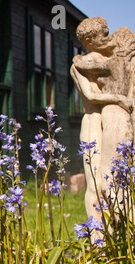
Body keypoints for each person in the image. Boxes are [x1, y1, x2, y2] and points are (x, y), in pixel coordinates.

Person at [70, 17, 134, 226]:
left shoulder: (112, 58)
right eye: (103, 35)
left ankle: (122, 231)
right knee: (96, 183)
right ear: (89, 41)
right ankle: (98, 234)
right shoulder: (80, 64)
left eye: (108, 32)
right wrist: (119, 99)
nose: (108, 37)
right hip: (92, 121)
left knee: (117, 179)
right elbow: (91, 96)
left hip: (112, 119)